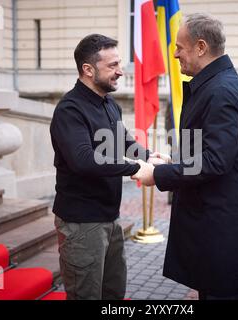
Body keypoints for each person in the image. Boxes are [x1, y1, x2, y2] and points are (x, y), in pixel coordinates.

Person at [133, 13, 238, 300]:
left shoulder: (221, 90)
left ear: (201, 47)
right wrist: (174, 163)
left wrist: (157, 175)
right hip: (215, 222)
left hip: (220, 226)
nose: (176, 53)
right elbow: (210, 152)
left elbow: (216, 161)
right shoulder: (216, 85)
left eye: (180, 47)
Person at [50, 34, 153, 300]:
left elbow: (123, 141)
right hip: (81, 224)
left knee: (114, 294)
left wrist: (150, 158)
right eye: (113, 65)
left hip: (111, 218)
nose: (121, 71)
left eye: (120, 63)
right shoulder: (69, 110)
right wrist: (134, 169)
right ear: (88, 69)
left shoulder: (110, 104)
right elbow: (83, 159)